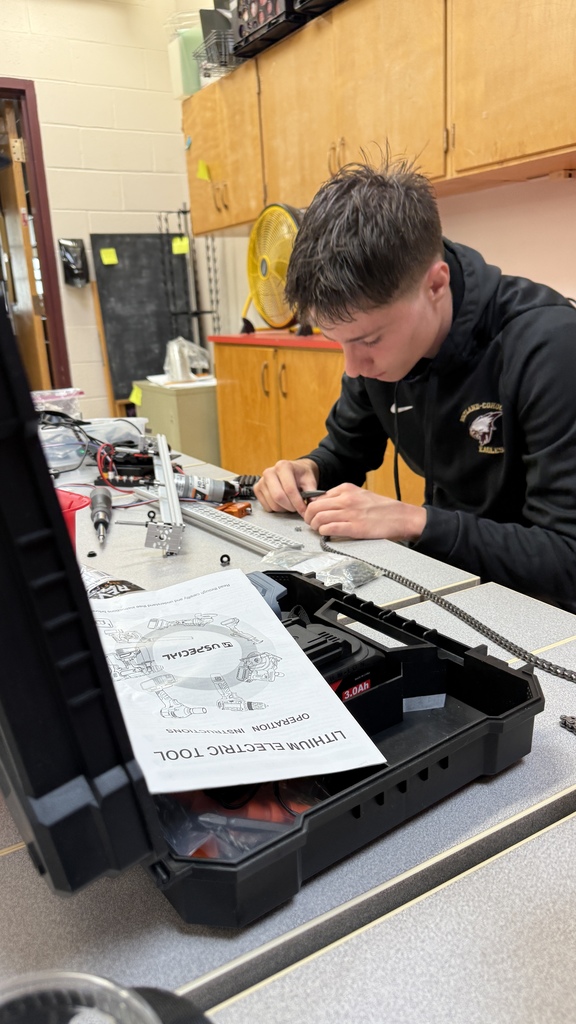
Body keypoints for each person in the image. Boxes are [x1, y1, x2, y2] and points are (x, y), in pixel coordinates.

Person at [254, 159, 576, 613]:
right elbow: (346, 452)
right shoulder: (382, 353)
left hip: (543, 613)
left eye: (368, 340)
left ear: (436, 284)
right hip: (451, 581)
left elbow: (566, 560)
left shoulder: (550, 347)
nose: (353, 368)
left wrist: (414, 521)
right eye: (337, 342)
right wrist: (309, 470)